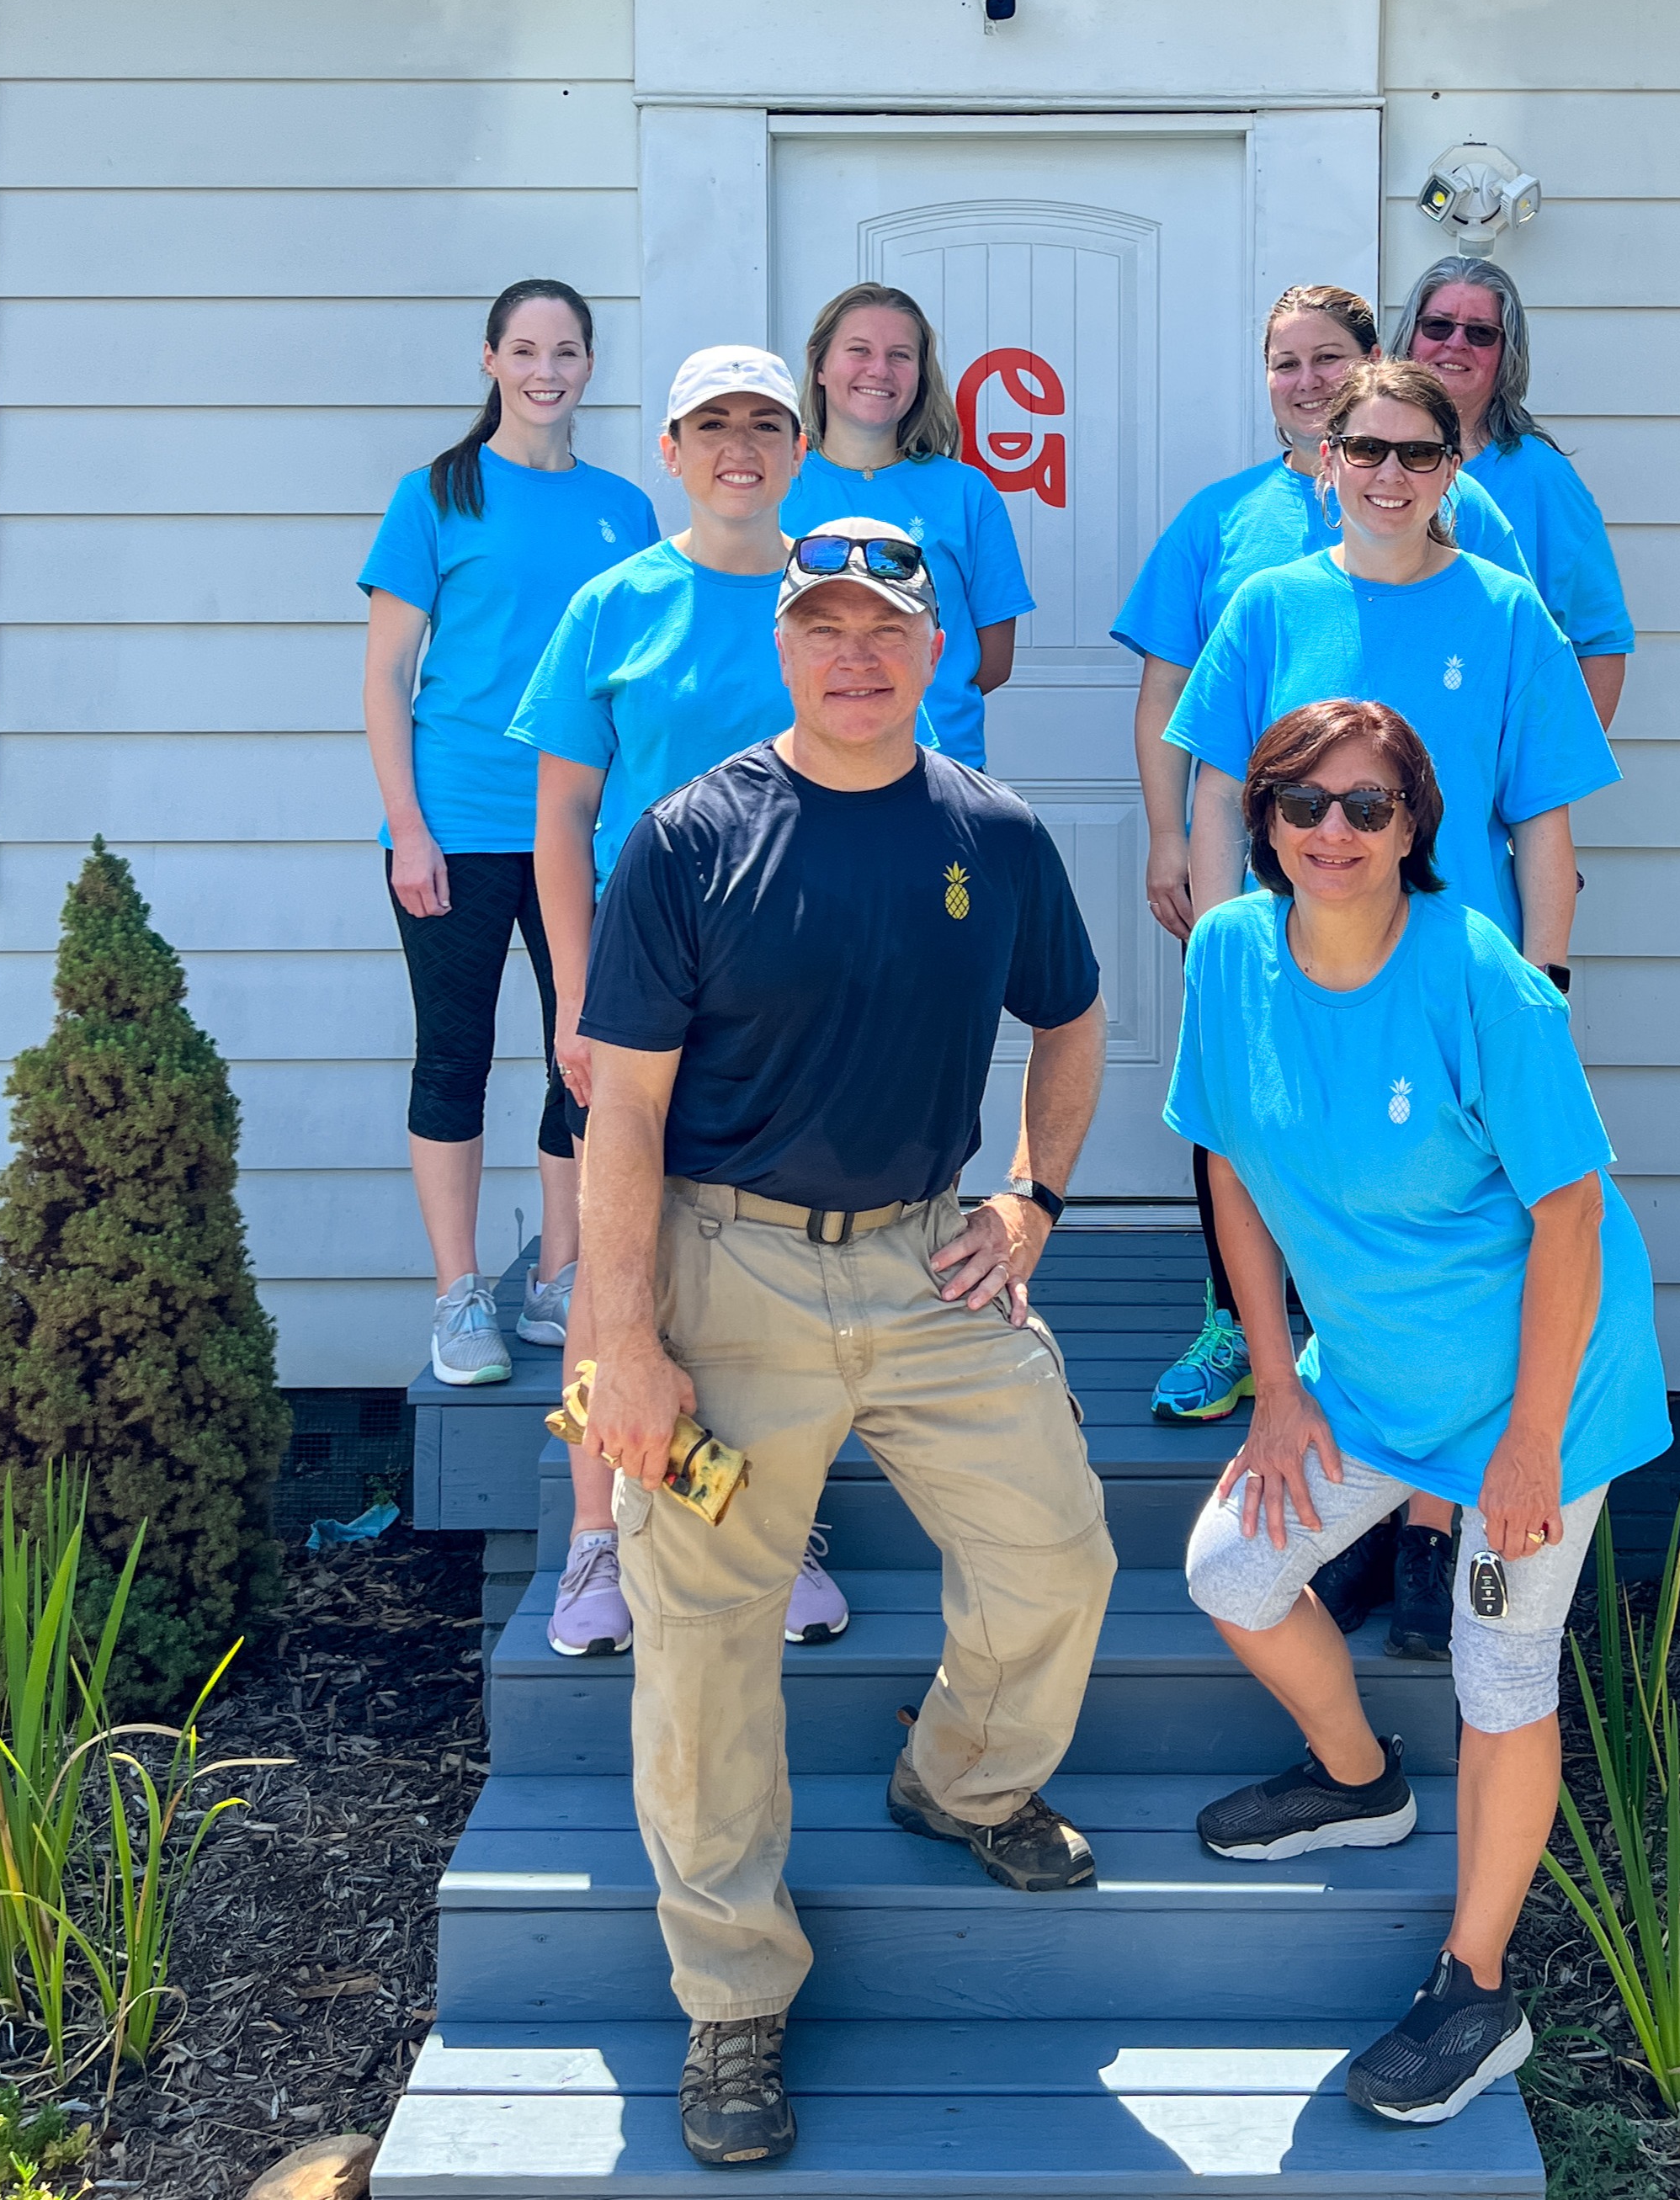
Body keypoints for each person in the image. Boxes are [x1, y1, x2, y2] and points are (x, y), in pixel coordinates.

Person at [572, 524, 1116, 2171]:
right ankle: (734, 1994)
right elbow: (624, 1106)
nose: (854, 655)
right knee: (706, 1633)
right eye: (823, 625)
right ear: (784, 640)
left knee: (1059, 1550)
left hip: (929, 1267)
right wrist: (625, 1341)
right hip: (726, 1263)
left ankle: (960, 1780)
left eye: (884, 628)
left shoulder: (995, 836)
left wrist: (1033, 1196)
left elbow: (1073, 1017)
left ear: (931, 647)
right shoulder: (689, 837)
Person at [1171, 697, 1669, 2129]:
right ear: (1260, 821)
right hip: (1369, 1383)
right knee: (1230, 1567)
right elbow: (1229, 1172)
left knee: (1496, 1662)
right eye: (1301, 804)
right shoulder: (1226, 957)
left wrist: (1525, 1448)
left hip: (1539, 1398)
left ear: (1412, 827)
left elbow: (1567, 1219)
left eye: (1366, 807)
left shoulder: (1481, 981)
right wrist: (1274, 1382)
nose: (1333, 831)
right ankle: (1354, 1781)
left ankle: (1472, 1984)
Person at [1166, 359, 1619, 1653]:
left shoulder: (1507, 612)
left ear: (1451, 470)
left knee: (1454, 1250)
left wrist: (1549, 979)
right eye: (1364, 448)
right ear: (1326, 458)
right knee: (1326, 1233)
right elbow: (1214, 793)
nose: (1386, 475)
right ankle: (1352, 1515)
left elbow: (1540, 816)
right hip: (1299, 979)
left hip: (1455, 999)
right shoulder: (1267, 605)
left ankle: (1432, 1529)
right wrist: (1221, 948)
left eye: (1417, 454)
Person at [1111, 285, 1531, 1430]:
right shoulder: (1225, 525)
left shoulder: (1466, 515)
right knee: (1248, 1116)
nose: (1301, 380)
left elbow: (1516, 681)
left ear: (1366, 370)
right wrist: (1172, 848)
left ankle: (1416, 1417)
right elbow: (1171, 700)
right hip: (1272, 886)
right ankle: (1233, 1324)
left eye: (1324, 360)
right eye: (1281, 363)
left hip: (1428, 905)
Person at [509, 346, 853, 1659]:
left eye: (765, 424)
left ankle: (781, 1533)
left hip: (801, 987)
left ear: (796, 446)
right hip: (643, 989)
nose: (740, 448)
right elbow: (561, 821)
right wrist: (575, 992)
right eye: (712, 425)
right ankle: (598, 1548)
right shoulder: (612, 604)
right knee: (616, 1263)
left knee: (787, 1266)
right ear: (671, 449)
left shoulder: (831, 599)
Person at [359, 278, 657, 1386]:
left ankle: (556, 1279)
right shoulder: (436, 495)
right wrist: (407, 827)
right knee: (454, 1056)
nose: (546, 369)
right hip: (459, 821)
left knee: (582, 1052)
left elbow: (630, 677)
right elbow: (388, 676)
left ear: (589, 366)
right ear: (489, 360)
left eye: (566, 350)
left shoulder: (623, 509)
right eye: (524, 349)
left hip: (579, 831)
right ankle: (457, 1295)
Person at [779, 283, 1034, 771]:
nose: (880, 370)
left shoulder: (966, 492)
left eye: (900, 355)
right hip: (797, 771)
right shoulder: (775, 485)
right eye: (859, 350)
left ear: (920, 374)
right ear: (819, 363)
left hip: (940, 769)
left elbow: (992, 662)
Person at [1392, 254, 1634, 728]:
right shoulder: (1365, 465)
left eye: (1481, 333)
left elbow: (1599, 642)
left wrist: (1550, 780)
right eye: (1438, 326)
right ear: (1410, 337)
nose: (1456, 343)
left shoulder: (1541, 478)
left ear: (1508, 353)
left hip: (1489, 768)